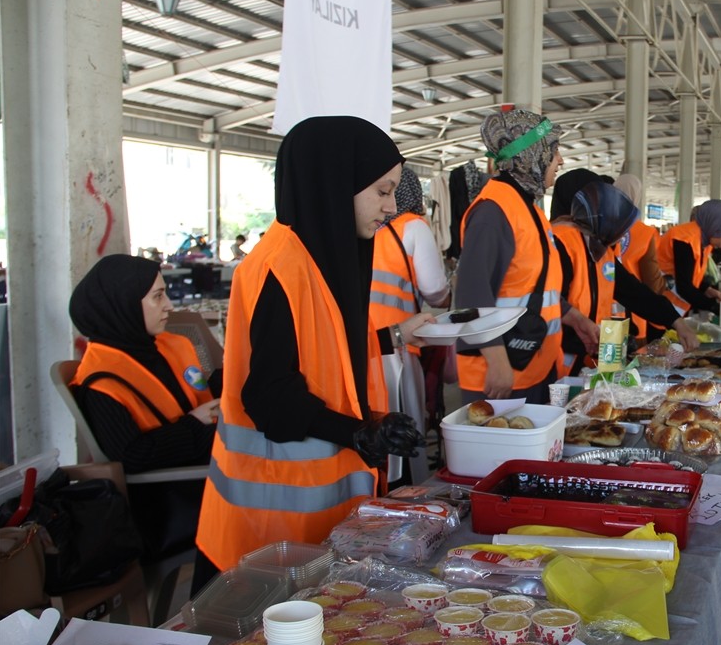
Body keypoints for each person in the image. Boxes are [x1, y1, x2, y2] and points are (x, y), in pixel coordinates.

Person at [195, 116, 432, 592]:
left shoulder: (329, 258)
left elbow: (332, 355)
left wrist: (376, 421)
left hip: (325, 515)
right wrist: (358, 432)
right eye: (382, 192)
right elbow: (269, 394)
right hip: (268, 530)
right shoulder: (276, 267)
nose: (390, 209)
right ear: (335, 183)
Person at [68, 254, 221, 563]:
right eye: (157, 296)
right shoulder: (101, 381)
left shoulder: (164, 346)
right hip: (169, 499)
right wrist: (193, 426)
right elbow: (131, 455)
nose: (169, 306)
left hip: (205, 470)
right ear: (122, 304)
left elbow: (194, 396)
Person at [454, 109, 595, 403]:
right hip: (501, 375)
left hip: (531, 363)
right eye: (554, 151)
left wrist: (575, 317)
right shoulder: (493, 212)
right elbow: (470, 293)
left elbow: (534, 286)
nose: (561, 161)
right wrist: (496, 361)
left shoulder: (528, 208)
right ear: (532, 154)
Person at [551, 177, 699, 376]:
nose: (623, 236)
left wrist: (676, 321)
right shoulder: (562, 243)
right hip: (559, 359)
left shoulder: (602, 250)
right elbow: (548, 300)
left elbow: (634, 292)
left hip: (589, 356)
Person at [369, 166, 451, 483]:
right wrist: (447, 297)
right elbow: (436, 291)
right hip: (397, 351)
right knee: (401, 440)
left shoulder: (353, 230)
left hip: (355, 350)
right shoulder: (412, 227)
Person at [656, 200, 721, 316]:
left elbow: (693, 275)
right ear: (714, 226)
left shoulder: (704, 242)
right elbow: (684, 287)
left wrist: (708, 289)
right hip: (658, 304)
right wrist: (715, 307)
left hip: (670, 309)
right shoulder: (684, 240)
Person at [612, 173, 669, 343]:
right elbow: (652, 280)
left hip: (599, 312)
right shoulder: (645, 233)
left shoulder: (599, 224)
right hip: (634, 311)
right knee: (630, 365)